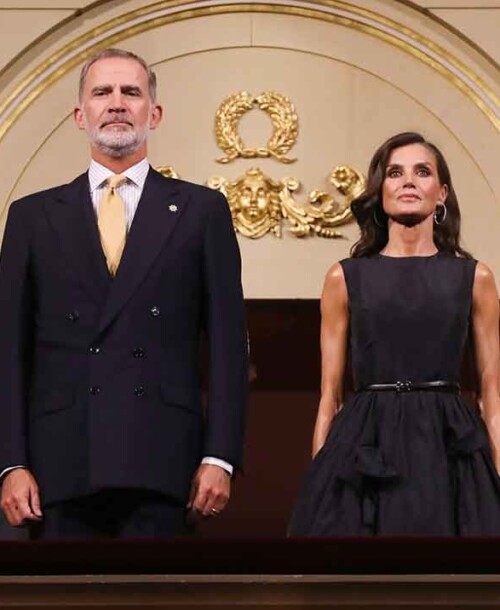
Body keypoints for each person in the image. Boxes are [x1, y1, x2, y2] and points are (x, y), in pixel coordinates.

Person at [0, 48, 248, 539]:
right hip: (59, 463)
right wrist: (10, 463)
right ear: (80, 115)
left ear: (153, 113)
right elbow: (8, 353)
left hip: (163, 461)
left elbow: (227, 347)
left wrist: (220, 456)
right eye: (102, 92)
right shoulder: (31, 216)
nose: (116, 103)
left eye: (130, 92)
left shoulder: (202, 211)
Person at [289, 131, 500, 536]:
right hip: (366, 438)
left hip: (448, 444)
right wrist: (320, 481)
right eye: (395, 172)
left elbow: (491, 390)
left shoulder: (475, 278)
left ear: (441, 194)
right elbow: (329, 396)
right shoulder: (343, 278)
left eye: (422, 172)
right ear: (380, 191)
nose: (407, 181)